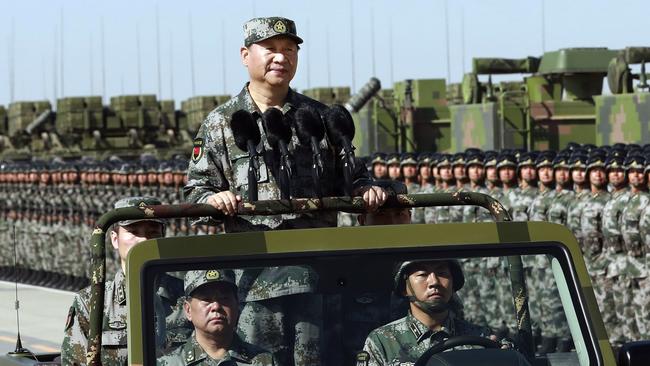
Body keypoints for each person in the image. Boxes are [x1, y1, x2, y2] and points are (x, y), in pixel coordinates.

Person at [183, 17, 386, 366]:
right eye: (271, 50)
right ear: (246, 55)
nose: (281, 58)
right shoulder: (221, 122)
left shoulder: (318, 118)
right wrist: (212, 199)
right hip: (256, 282)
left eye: (289, 50)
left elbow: (353, 177)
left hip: (318, 276)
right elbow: (195, 192)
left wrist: (366, 189)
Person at [61, 197, 187, 365]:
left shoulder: (188, 297)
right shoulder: (92, 303)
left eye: (153, 232)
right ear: (115, 239)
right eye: (133, 231)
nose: (143, 240)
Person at [361, 259, 505, 366]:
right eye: (423, 274)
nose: (434, 281)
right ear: (405, 288)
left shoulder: (480, 338)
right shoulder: (383, 342)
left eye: (442, 273)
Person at [157, 270, 275, 365]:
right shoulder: (168, 363)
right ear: (188, 310)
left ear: (237, 305)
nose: (216, 306)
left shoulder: (264, 361)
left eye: (224, 298)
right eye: (206, 300)